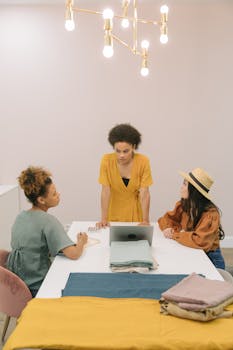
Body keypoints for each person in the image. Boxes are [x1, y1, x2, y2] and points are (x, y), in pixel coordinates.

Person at [7, 166, 88, 297]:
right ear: (41, 200)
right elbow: (74, 254)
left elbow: (32, 244)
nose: (58, 195)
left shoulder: (20, 216)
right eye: (54, 193)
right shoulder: (48, 221)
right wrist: (81, 242)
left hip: (15, 285)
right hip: (36, 288)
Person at [158, 167, 225, 269]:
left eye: (185, 184)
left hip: (211, 258)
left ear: (194, 190)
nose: (181, 187)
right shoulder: (184, 205)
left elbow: (199, 241)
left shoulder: (210, 214)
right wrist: (169, 229)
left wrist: (175, 235)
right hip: (194, 252)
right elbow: (165, 219)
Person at [97, 123, 153, 228]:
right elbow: (105, 191)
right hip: (113, 213)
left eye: (126, 151)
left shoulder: (143, 161)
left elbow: (144, 193)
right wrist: (103, 218)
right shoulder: (106, 161)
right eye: (118, 151)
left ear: (134, 147)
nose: (121, 155)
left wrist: (145, 220)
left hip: (135, 215)